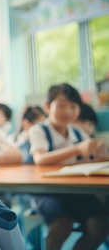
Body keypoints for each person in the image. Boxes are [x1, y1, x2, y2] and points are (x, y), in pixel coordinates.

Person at [29, 83, 109, 250]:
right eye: (61, 105)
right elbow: (40, 159)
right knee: (62, 225)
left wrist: (100, 154)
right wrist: (77, 148)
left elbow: (92, 156)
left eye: (73, 106)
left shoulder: (78, 132)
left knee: (101, 223)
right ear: (46, 106)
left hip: (74, 190)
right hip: (47, 192)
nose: (67, 111)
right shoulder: (39, 130)